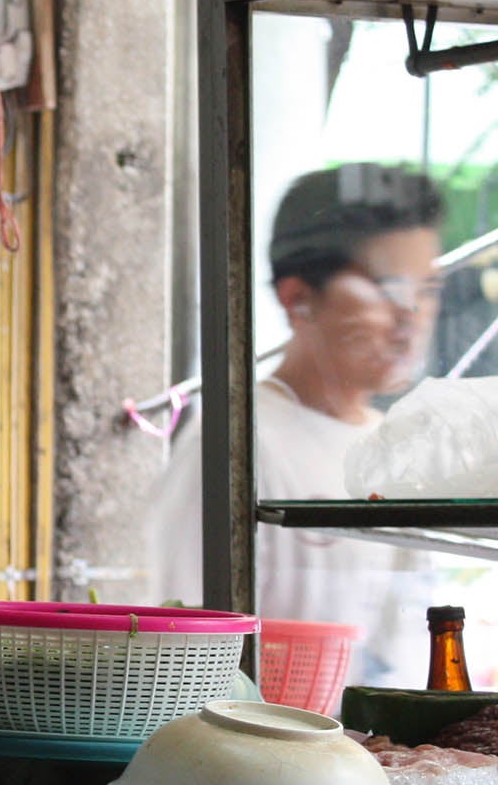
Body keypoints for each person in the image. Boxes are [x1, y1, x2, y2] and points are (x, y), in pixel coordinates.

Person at [149, 162, 444, 686]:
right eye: (387, 288)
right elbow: (177, 649)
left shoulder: (401, 452)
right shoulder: (235, 449)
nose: (412, 314)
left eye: (428, 288)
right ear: (297, 298)